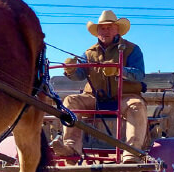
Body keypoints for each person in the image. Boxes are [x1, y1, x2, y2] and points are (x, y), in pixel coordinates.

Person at [52, 10, 147, 163]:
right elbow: (80, 75)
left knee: (136, 105)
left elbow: (139, 74)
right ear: (97, 32)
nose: (105, 30)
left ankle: (131, 153)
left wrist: (119, 70)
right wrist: (70, 70)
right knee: (70, 101)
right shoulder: (89, 53)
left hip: (124, 98)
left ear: (117, 29)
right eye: (102, 28)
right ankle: (71, 149)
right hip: (95, 98)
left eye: (109, 27)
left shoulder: (132, 49)